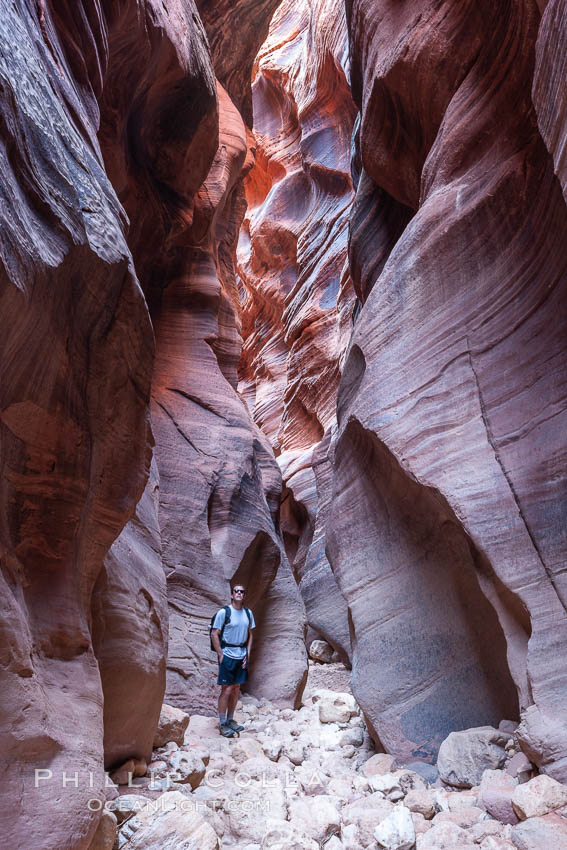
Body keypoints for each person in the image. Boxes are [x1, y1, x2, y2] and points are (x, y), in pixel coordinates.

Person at [211, 584, 255, 737]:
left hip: (241, 654)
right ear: (231, 595)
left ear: (244, 596)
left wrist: (247, 654)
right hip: (228, 654)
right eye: (236, 591)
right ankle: (222, 723)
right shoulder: (224, 612)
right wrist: (220, 654)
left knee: (236, 688)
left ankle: (230, 720)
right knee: (227, 689)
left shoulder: (248, 614)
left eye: (242, 591)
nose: (239, 593)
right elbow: (214, 633)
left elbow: (251, 635)